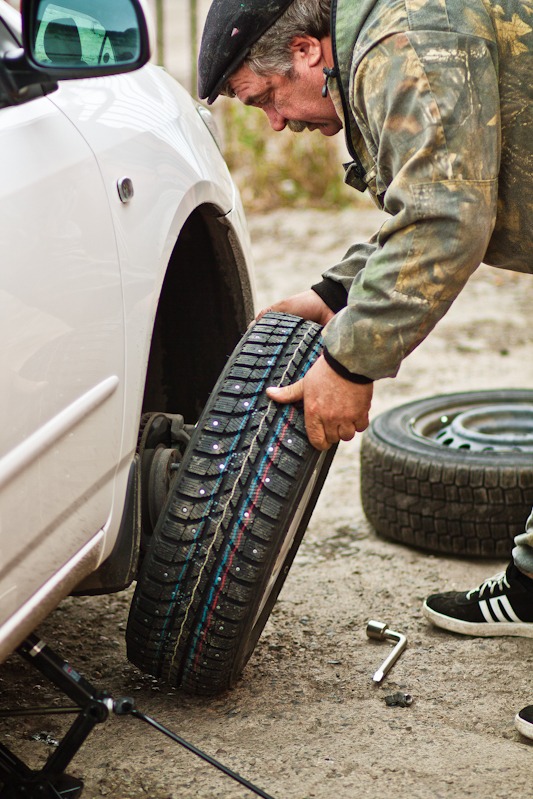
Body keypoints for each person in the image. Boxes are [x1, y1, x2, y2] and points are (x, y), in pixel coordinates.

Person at [197, 0, 532, 736]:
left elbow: (448, 218)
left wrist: (350, 363)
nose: (276, 124)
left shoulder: (399, 43)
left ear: (311, 53)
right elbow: (435, 190)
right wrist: (333, 292)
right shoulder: (380, 44)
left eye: (264, 100)